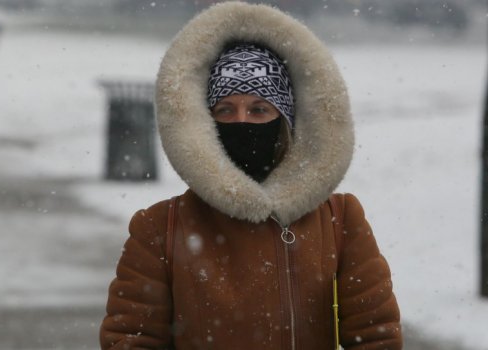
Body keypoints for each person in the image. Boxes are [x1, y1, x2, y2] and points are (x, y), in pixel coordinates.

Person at [100, 2, 402, 349]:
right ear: (204, 124)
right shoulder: (160, 228)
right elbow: (130, 340)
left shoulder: (339, 221)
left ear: (285, 122)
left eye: (259, 110)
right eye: (226, 110)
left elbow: (376, 336)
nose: (241, 122)